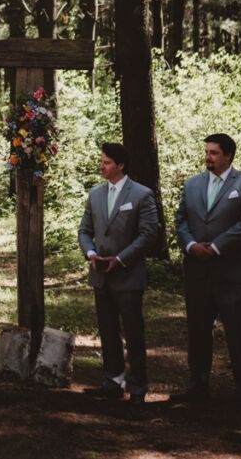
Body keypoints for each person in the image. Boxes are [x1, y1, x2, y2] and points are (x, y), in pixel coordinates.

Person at [171, 132, 241, 405]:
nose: (208, 157)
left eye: (213, 153)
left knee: (240, 333)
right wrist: (190, 245)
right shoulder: (192, 184)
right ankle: (197, 386)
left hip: (235, 273)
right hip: (198, 271)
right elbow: (180, 219)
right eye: (207, 152)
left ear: (228, 155)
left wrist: (215, 247)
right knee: (198, 331)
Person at [79, 141, 159, 403]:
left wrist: (121, 259)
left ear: (121, 165)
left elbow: (148, 234)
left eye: (107, 162)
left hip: (128, 275)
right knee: (108, 330)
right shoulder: (95, 194)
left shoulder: (142, 195)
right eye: (101, 161)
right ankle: (112, 382)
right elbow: (84, 231)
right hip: (101, 275)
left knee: (134, 333)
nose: (101, 166)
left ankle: (137, 387)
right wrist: (91, 253)